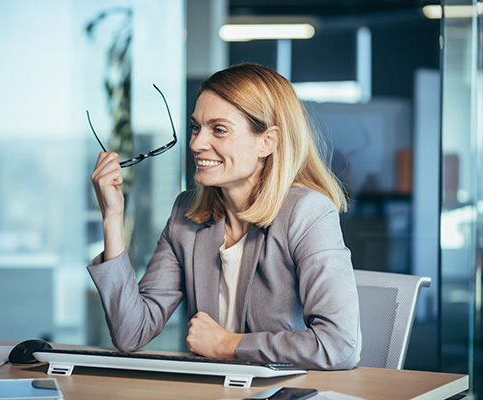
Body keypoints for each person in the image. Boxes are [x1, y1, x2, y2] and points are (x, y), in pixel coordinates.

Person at [88, 62, 361, 370]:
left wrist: (227, 344)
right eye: (196, 127)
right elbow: (130, 332)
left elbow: (339, 345)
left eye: (218, 130)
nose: (196, 143)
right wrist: (113, 217)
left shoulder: (306, 213)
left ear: (267, 142)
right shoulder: (185, 216)